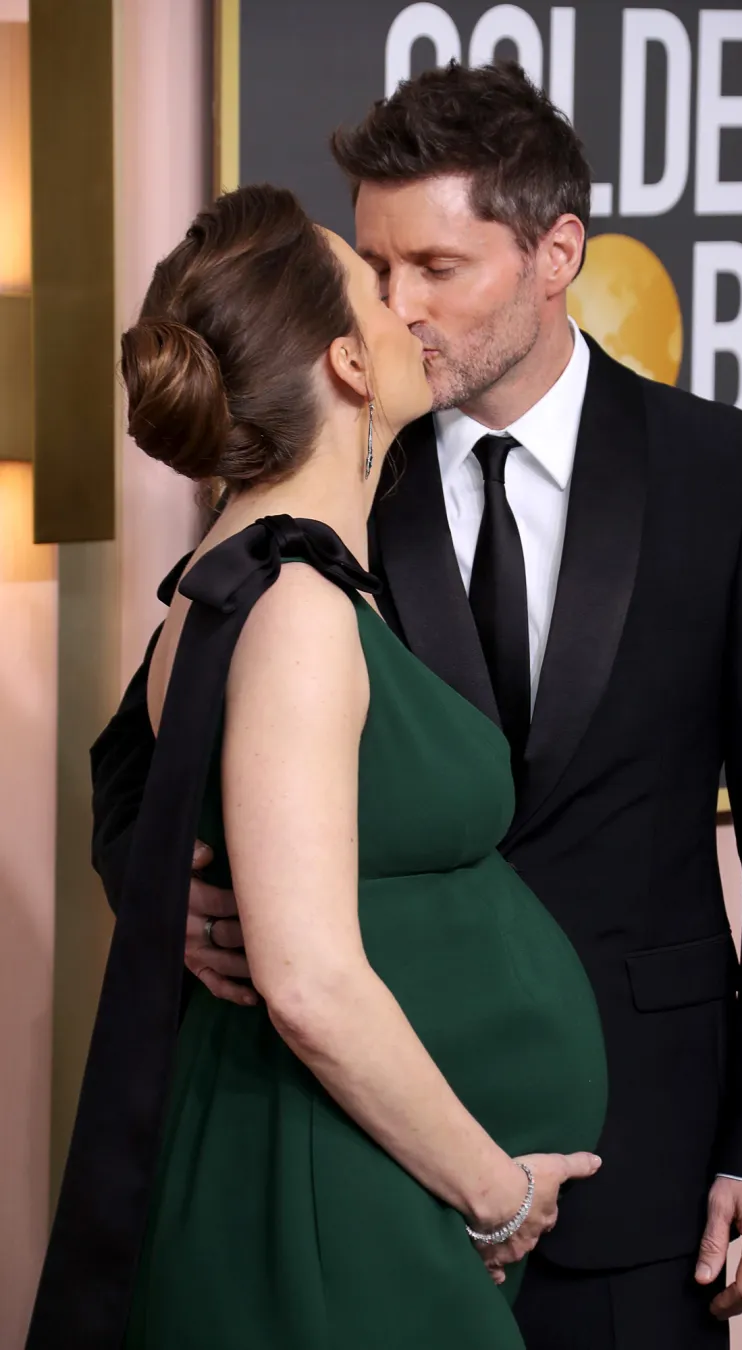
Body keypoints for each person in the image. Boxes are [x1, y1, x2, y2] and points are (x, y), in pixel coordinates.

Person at [89, 62, 742, 1350]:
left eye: (437, 267)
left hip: (648, 1162)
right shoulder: (325, 472)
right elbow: (141, 756)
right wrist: (176, 894)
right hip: (371, 1154)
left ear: (556, 254)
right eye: (377, 266)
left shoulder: (727, 476)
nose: (399, 307)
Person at [26, 185, 607, 1350]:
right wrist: (495, 1195)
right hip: (328, 1192)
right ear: (349, 361)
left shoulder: (256, 577)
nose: (408, 312)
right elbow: (308, 984)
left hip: (351, 1175)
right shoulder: (290, 606)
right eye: (376, 294)